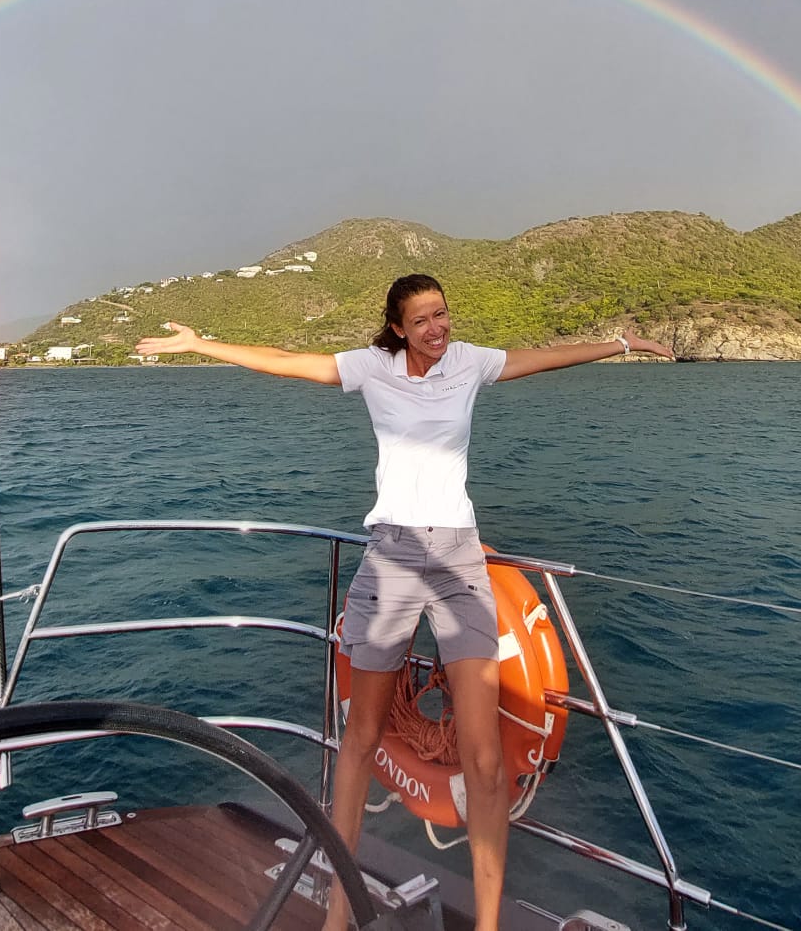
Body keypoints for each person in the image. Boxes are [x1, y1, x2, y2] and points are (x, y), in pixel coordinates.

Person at [134, 273, 672, 931]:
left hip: (458, 559)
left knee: (483, 757)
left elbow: (543, 358)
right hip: (390, 556)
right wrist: (200, 344)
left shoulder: (470, 361)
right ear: (397, 327)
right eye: (421, 320)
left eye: (441, 314)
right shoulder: (372, 368)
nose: (436, 328)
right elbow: (285, 360)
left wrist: (623, 344)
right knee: (360, 740)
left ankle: (487, 925)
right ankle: (338, 915)